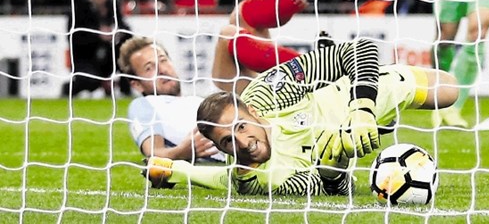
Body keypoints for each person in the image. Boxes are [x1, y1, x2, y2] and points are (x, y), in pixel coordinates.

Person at [143, 38, 459, 196]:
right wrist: (335, 163)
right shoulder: (255, 180)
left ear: (253, 112)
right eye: (228, 142)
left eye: (240, 127)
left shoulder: (268, 93)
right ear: (221, 150)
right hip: (336, 142)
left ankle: (317, 66)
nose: (243, 143)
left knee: (449, 90)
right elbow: (336, 190)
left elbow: (360, 48)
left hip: (351, 94)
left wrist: (361, 109)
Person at [120, 0, 329, 162]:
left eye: (162, 60)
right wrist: (185, 151)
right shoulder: (143, 106)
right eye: (149, 68)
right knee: (229, 34)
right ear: (136, 84)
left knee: (241, 17)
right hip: (241, 138)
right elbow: (155, 156)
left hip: (248, 114)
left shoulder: (191, 100)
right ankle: (316, 66)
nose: (162, 69)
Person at [63, 0, 131, 97]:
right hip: (86, 57)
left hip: (109, 57)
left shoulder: (113, 7)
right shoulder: (79, 8)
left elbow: (127, 30)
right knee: (89, 80)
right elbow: (74, 37)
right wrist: (98, 35)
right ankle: (69, 89)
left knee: (127, 58)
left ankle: (125, 93)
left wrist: (117, 33)